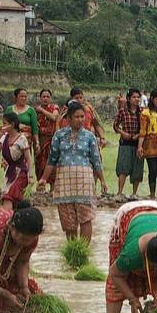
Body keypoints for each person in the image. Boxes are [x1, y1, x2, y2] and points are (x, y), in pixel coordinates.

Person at [44, 100, 106, 243]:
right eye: (77, 117)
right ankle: (73, 251)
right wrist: (43, 179)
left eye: (82, 116)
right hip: (64, 179)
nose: (80, 120)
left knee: (86, 217)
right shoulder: (59, 136)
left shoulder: (90, 136)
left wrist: (102, 180)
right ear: (69, 118)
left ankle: (83, 251)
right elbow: (52, 159)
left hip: (84, 179)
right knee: (68, 220)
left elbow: (96, 159)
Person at [3, 88, 40, 178]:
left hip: (25, 142)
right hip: (11, 141)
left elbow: (35, 128)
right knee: (11, 160)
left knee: (25, 161)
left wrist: (37, 142)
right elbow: (5, 125)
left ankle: (24, 183)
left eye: (25, 96)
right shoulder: (9, 109)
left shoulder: (31, 110)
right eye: (21, 96)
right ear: (16, 97)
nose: (24, 98)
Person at [113, 88, 143, 195]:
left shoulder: (142, 112)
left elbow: (146, 128)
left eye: (138, 97)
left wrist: (139, 135)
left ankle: (134, 193)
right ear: (129, 99)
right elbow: (115, 125)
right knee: (123, 169)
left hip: (138, 144)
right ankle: (119, 192)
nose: (136, 99)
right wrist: (122, 133)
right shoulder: (122, 111)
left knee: (137, 170)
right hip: (125, 143)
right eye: (134, 97)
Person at [0, 111, 32, 207]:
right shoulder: (4, 138)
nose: (2, 125)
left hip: (20, 173)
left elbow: (28, 159)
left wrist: (31, 176)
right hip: (9, 173)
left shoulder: (22, 139)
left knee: (9, 196)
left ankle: (7, 218)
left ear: (12, 124)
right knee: (10, 197)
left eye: (4, 123)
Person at [34, 89, 61, 184]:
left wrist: (42, 110)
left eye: (47, 96)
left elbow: (54, 117)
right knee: (39, 164)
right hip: (40, 140)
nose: (45, 98)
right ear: (40, 98)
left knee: (52, 163)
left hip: (52, 141)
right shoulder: (35, 110)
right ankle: (41, 186)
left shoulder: (54, 107)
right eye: (43, 97)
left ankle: (52, 189)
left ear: (51, 98)